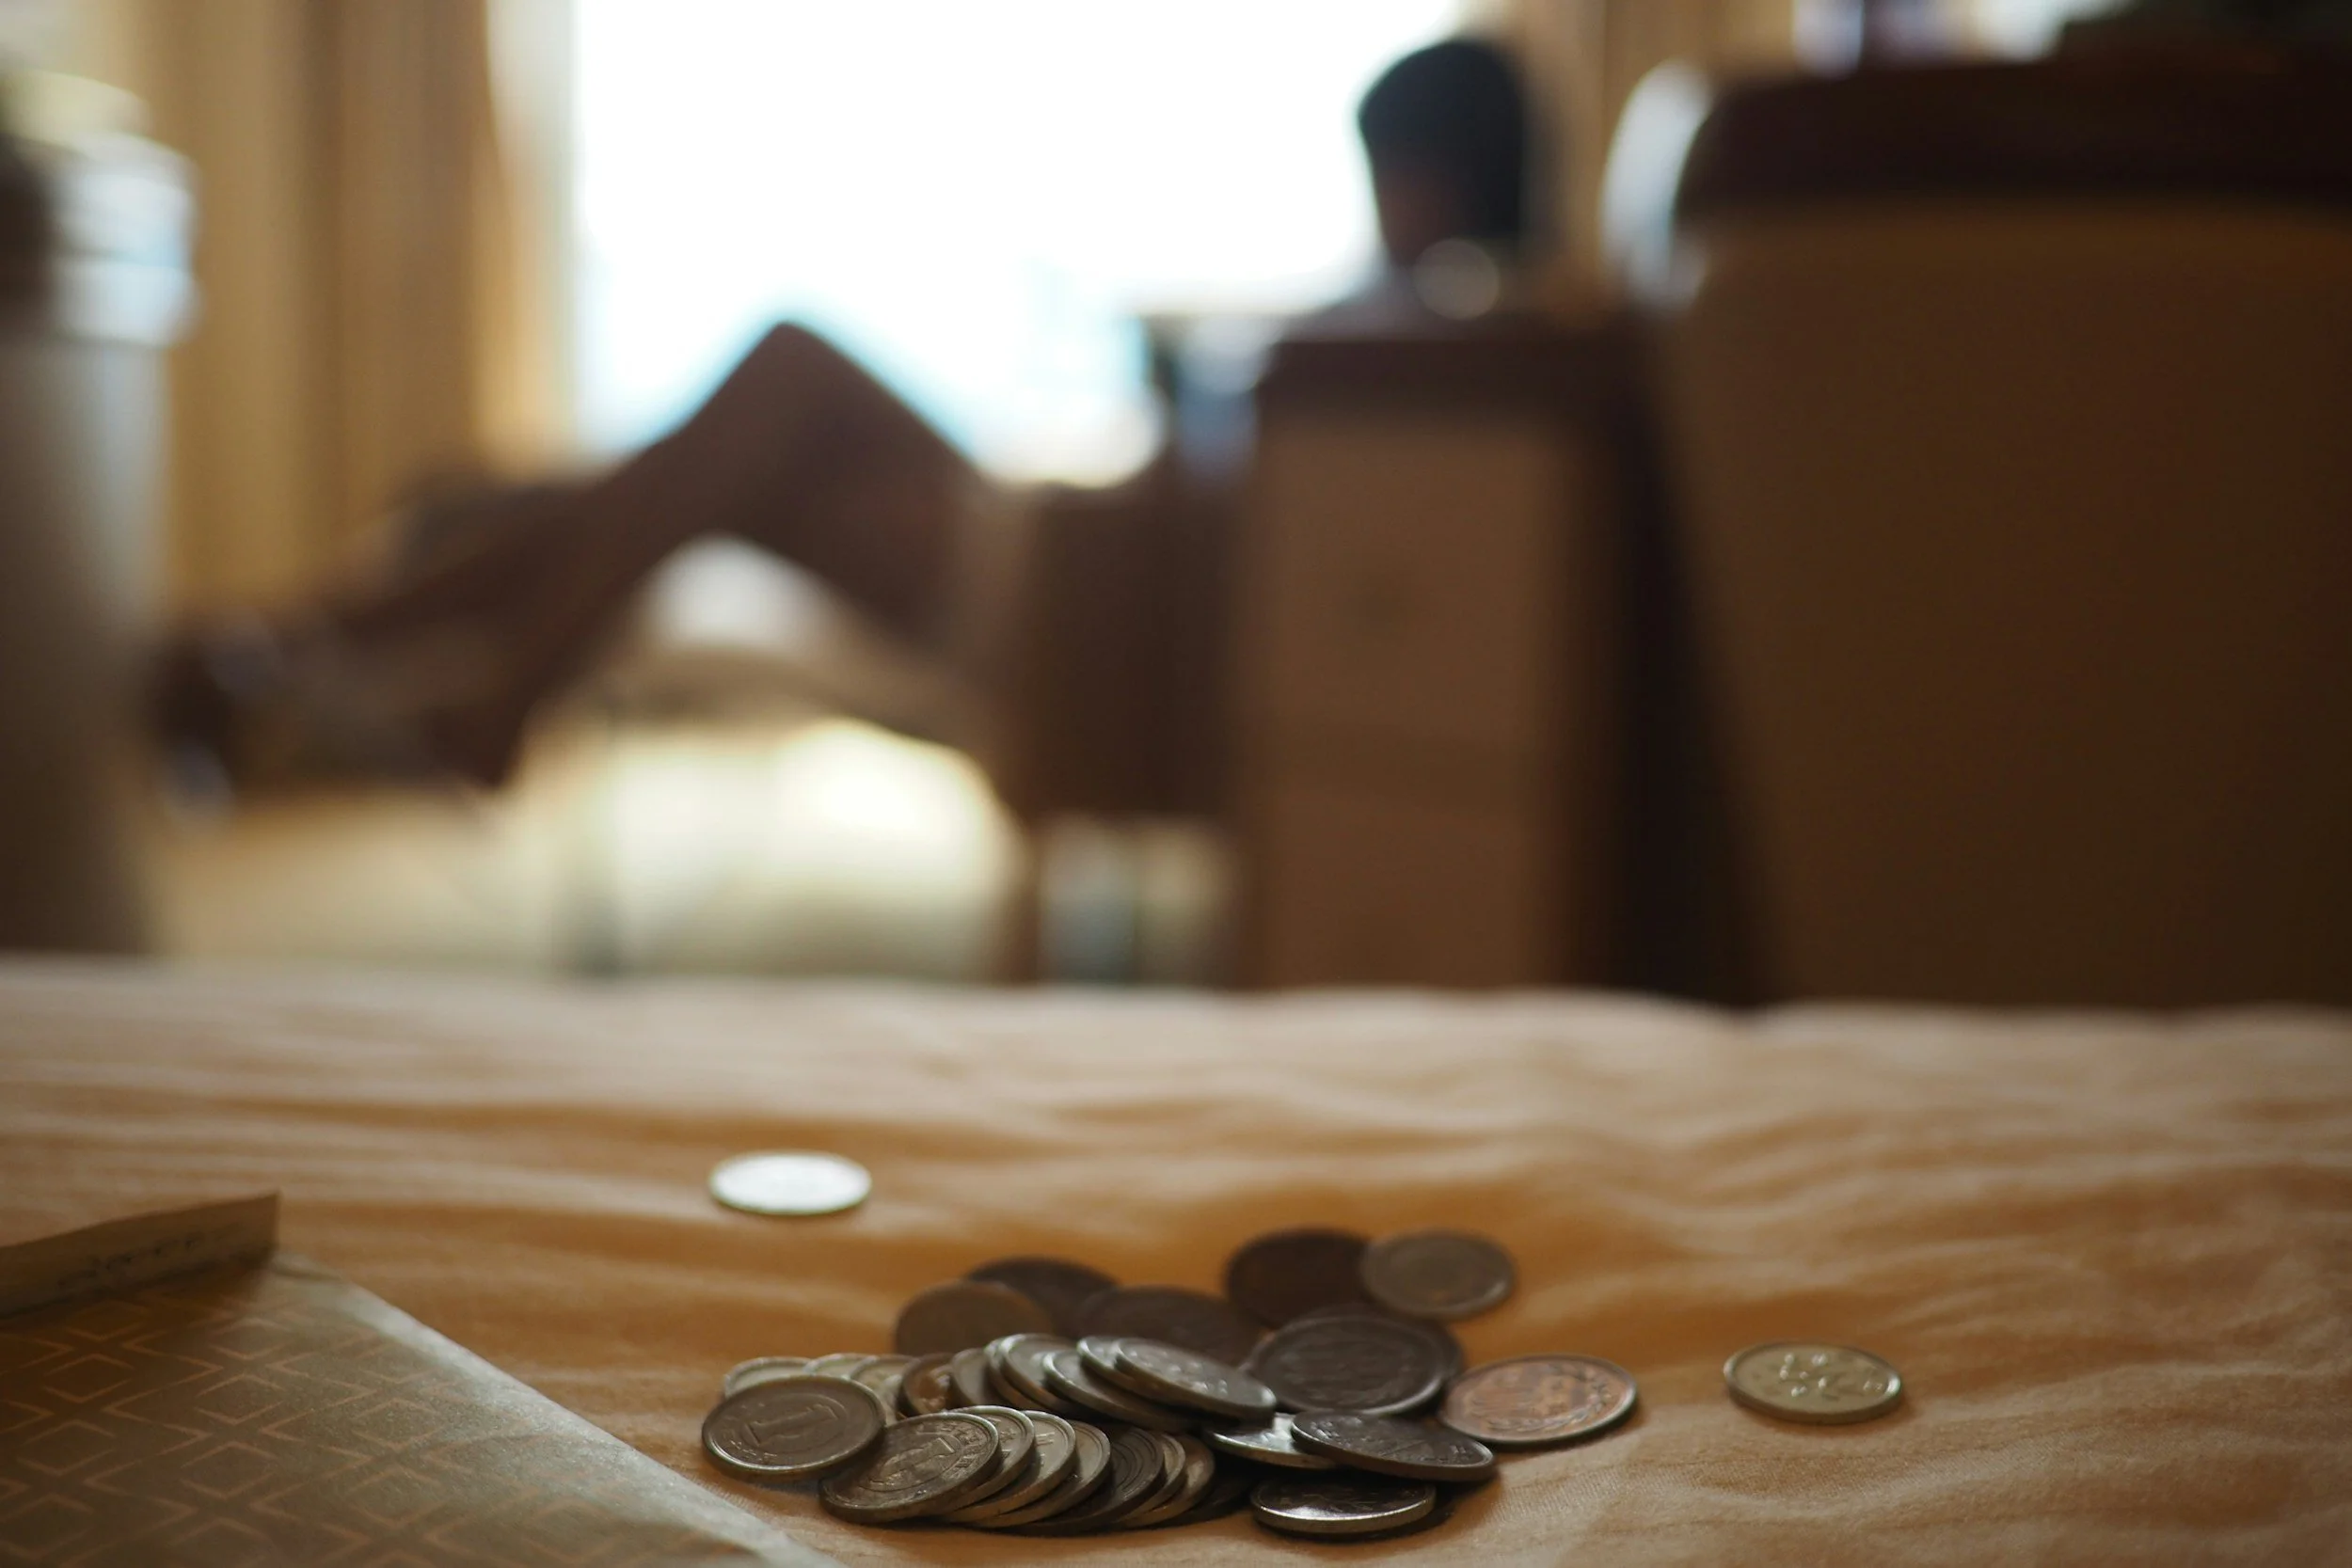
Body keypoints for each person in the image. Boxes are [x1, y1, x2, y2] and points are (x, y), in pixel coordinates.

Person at [152, 38, 1541, 800]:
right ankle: (346, 648)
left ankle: (357, 645)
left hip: (1065, 609)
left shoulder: (1450, 346)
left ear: (1441, 174)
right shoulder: (1406, 327)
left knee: (784, 368)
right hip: (1052, 565)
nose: (1384, 205)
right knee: (699, 466)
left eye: (1396, 174)